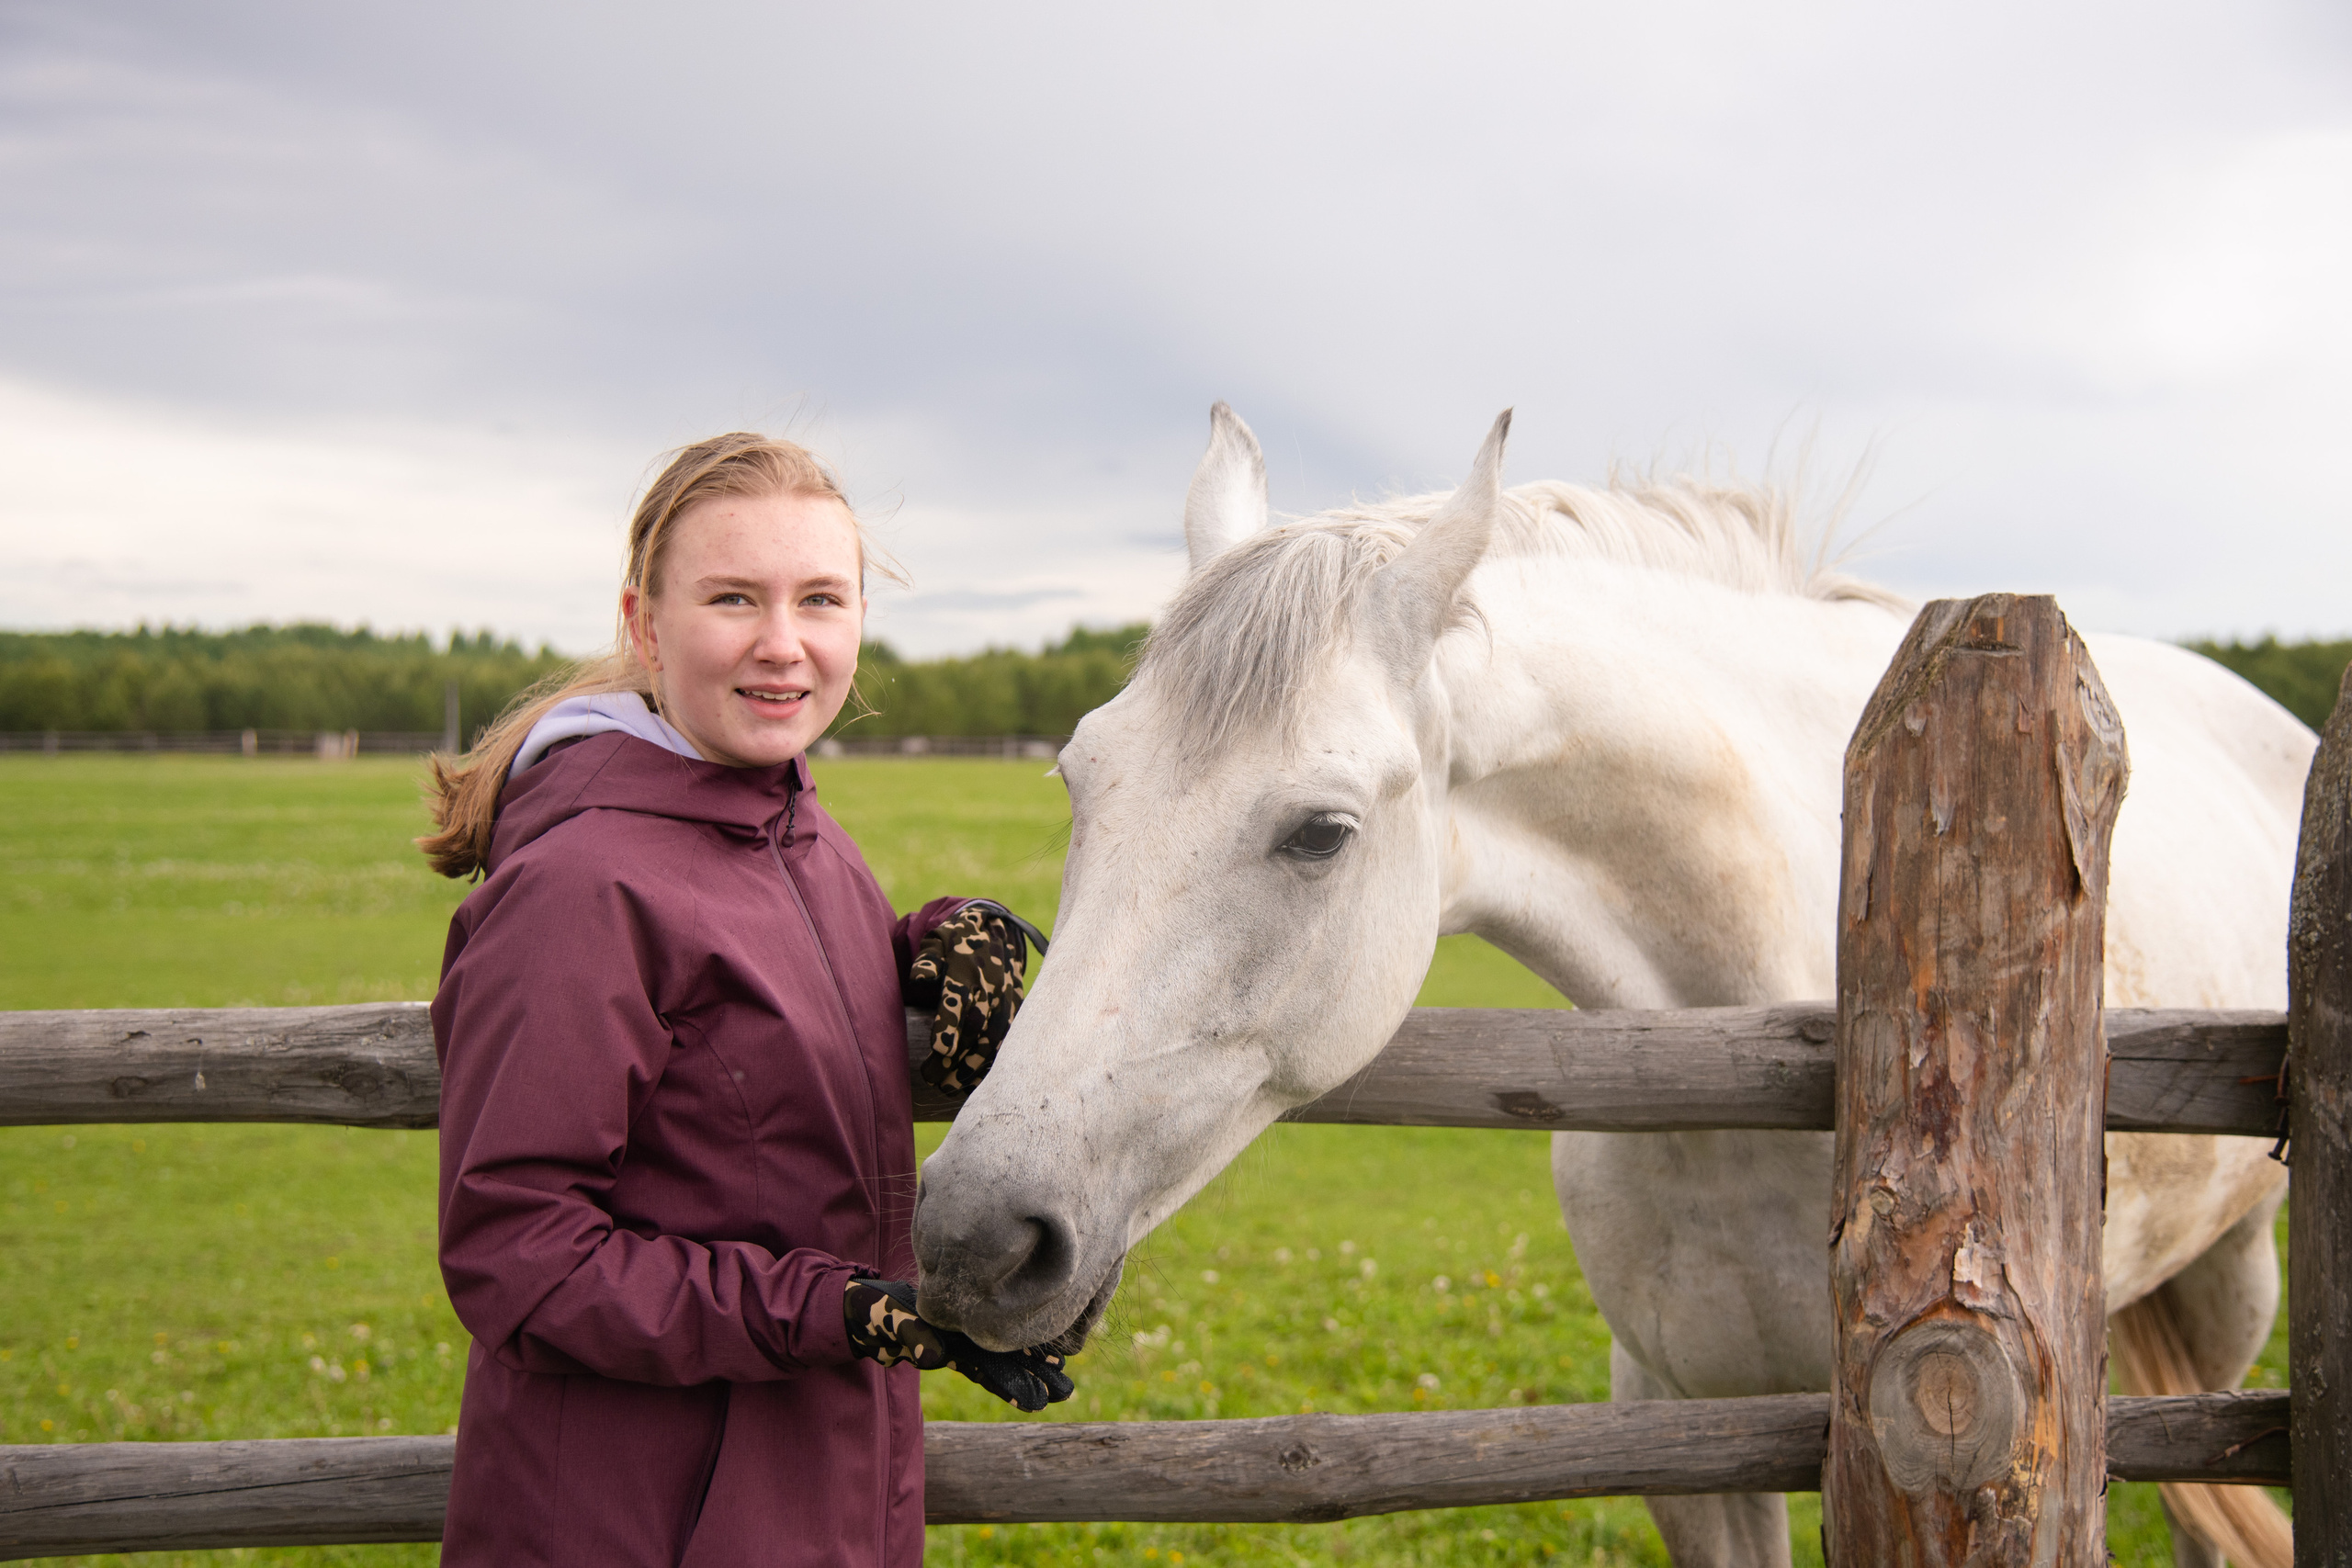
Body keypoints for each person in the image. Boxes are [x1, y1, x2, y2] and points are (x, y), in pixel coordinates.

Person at [416, 433, 1068, 1567]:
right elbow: (519, 1255)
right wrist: (829, 1310)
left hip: (817, 1491)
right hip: (635, 1518)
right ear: (644, 626)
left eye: (820, 599)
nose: (782, 643)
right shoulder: (581, 886)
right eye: (733, 598)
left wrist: (929, 943)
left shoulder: (796, 829)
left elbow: (753, 989)